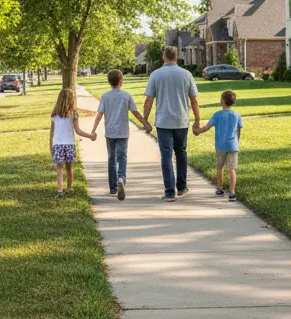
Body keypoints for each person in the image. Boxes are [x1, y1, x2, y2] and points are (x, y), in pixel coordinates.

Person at [143, 45, 202, 202]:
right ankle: (182, 188)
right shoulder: (186, 74)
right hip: (181, 120)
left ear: (164, 56)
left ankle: (169, 192)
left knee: (166, 156)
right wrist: (197, 120)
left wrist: (145, 121)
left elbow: (149, 100)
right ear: (177, 57)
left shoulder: (156, 74)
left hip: (163, 121)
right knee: (181, 153)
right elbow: (194, 100)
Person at [92, 68, 152, 200]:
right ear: (121, 81)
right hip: (123, 132)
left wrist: (93, 130)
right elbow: (135, 112)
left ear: (109, 82)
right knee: (122, 157)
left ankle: (113, 188)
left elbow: (99, 115)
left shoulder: (105, 96)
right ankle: (121, 178)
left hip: (110, 132)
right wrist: (146, 123)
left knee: (111, 159)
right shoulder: (126, 95)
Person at [194, 89, 242, 201]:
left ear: (223, 101)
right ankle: (232, 192)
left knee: (220, 167)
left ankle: (220, 188)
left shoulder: (217, 115)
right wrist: (236, 142)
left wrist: (198, 131)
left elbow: (207, 127)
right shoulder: (236, 115)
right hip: (233, 146)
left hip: (221, 146)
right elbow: (239, 130)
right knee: (232, 168)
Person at [50, 87, 95, 197]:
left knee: (59, 168)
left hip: (58, 145)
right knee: (69, 168)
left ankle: (60, 190)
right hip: (69, 145)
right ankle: (69, 188)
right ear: (71, 100)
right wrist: (90, 136)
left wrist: (51, 146)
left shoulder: (54, 115)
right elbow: (78, 131)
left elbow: (51, 133)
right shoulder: (73, 114)